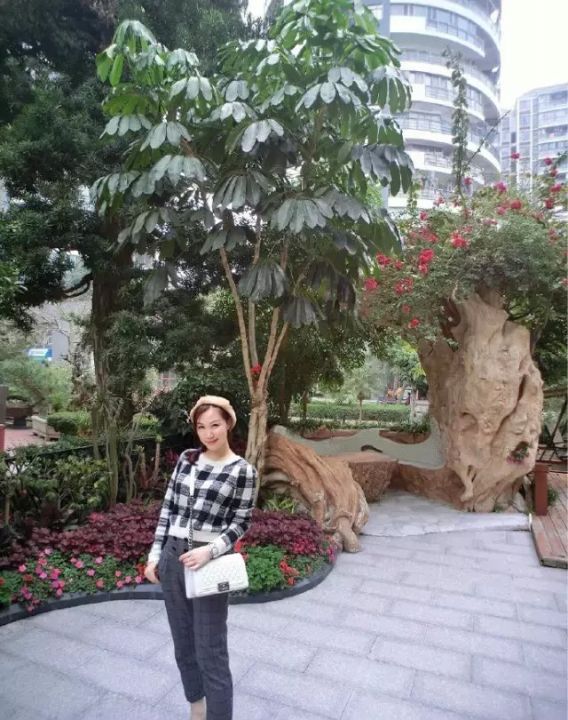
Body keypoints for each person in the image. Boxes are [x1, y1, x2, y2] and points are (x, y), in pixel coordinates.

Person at [145, 395, 257, 720]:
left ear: (228, 424)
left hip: (209, 563)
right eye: (202, 426)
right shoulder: (187, 460)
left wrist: (210, 550)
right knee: (183, 643)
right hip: (173, 558)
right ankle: (196, 708)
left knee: (211, 650)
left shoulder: (243, 471)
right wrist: (155, 556)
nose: (209, 433)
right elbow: (168, 509)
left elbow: (241, 522)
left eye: (215, 425)